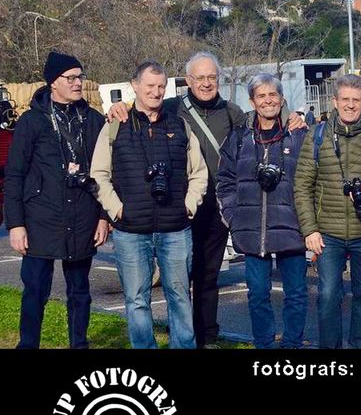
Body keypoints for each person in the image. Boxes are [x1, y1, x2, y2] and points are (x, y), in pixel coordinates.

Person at [108, 51, 304, 347]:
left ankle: (207, 335)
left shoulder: (232, 112)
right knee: (181, 278)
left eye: (212, 77)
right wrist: (119, 107)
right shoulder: (172, 108)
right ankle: (187, 335)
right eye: (199, 77)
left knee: (209, 274)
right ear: (188, 80)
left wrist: (293, 117)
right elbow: (143, 109)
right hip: (179, 205)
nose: (206, 83)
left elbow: (265, 116)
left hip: (218, 207)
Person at [90, 61, 208, 349]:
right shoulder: (114, 126)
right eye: (150, 86)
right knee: (136, 299)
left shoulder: (180, 126)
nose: (156, 92)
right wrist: (117, 210)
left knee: (180, 297)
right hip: (131, 230)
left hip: (176, 229)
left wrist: (188, 206)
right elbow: (99, 175)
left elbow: (199, 173)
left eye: (161, 86)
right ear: (135, 86)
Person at [4, 51, 108, 348]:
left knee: (80, 292)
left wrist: (103, 217)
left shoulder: (93, 120)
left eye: (80, 76)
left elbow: (105, 173)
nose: (78, 83)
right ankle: (28, 345)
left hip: (83, 216)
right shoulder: (32, 122)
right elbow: (15, 174)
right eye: (70, 78)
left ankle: (79, 345)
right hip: (40, 218)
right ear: (53, 82)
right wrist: (16, 224)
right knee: (35, 290)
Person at [216, 74, 309, 349]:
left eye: (273, 95)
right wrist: (233, 218)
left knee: (296, 294)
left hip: (292, 228)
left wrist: (308, 223)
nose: (268, 101)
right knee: (257, 295)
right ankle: (264, 345)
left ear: (281, 99)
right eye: (261, 96)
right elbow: (224, 181)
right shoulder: (239, 138)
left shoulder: (299, 134)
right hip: (251, 231)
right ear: (252, 101)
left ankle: (291, 345)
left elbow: (313, 181)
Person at [294, 74, 361, 349]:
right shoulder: (317, 135)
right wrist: (309, 229)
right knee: (328, 296)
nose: (350, 105)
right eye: (345, 99)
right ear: (334, 101)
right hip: (327, 233)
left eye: (356, 100)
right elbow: (302, 185)